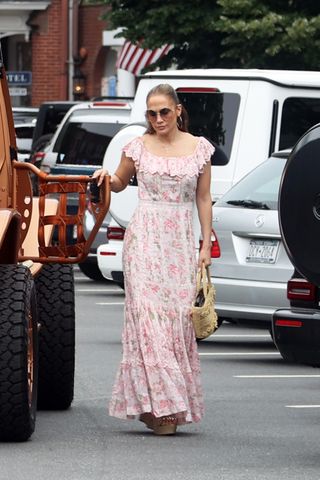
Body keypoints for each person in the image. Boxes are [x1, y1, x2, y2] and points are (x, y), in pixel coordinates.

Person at [93, 83, 214, 435]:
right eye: (151, 113)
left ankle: (162, 405)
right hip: (144, 238)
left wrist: (206, 245)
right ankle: (160, 406)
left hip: (179, 240)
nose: (158, 119)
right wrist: (106, 178)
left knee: (176, 320)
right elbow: (118, 182)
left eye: (164, 111)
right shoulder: (137, 147)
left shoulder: (199, 150)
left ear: (178, 110)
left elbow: (204, 199)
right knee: (147, 320)